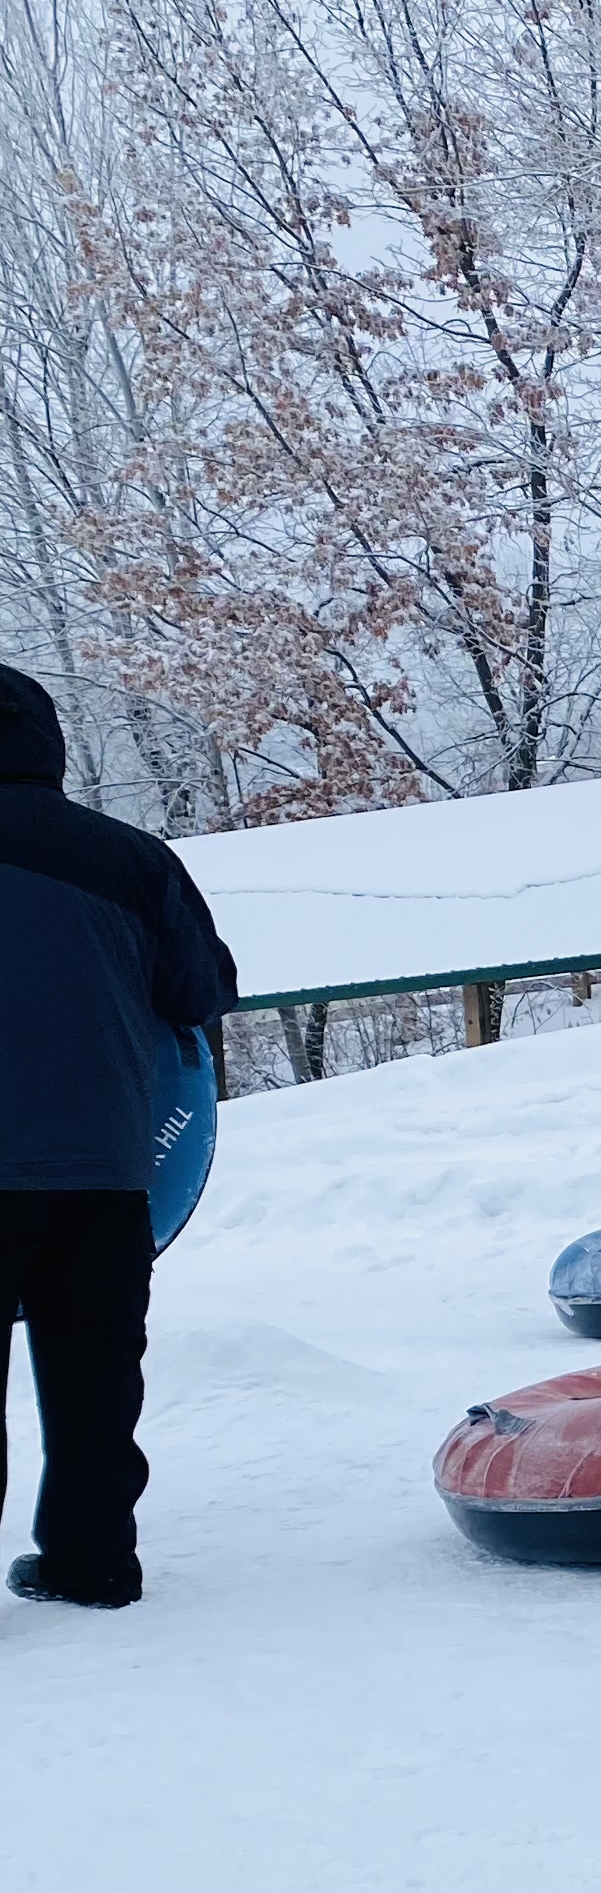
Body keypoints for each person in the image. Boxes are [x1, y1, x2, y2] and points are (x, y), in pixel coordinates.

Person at [0, 664, 238, 1609]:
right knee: (95, 1379)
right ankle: (93, 1564)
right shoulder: (132, 860)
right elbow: (200, 991)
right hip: (104, 1167)